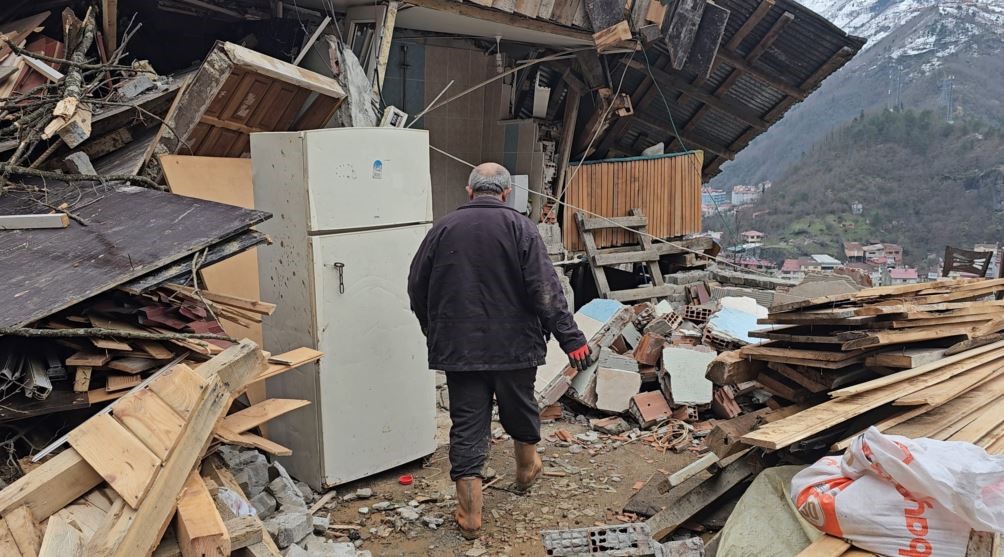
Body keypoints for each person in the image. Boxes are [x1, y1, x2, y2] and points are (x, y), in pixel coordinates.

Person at [407, 162, 592, 539]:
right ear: (506, 194)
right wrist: (571, 339)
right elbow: (546, 291)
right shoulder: (521, 227)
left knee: (468, 425)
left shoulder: (442, 229)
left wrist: (436, 331)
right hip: (515, 347)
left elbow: (416, 287)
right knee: (519, 407)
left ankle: (470, 516)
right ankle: (526, 471)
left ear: (469, 191)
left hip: (460, 350)